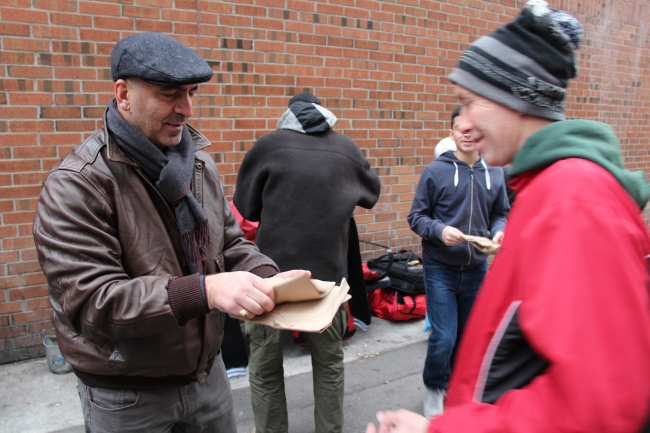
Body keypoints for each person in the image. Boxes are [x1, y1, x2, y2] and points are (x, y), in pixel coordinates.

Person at [367, 1, 650, 432]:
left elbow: (601, 402)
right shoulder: (545, 187)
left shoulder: (571, 198)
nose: (462, 122)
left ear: (513, 98)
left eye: (468, 102)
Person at [32, 32, 306, 433]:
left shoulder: (198, 166)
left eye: (192, 92)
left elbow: (229, 242)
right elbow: (94, 304)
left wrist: (268, 278)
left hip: (206, 377)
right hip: (127, 394)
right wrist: (206, 291)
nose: (186, 108)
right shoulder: (76, 184)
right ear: (123, 94)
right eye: (170, 93)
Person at [233, 92, 381, 433]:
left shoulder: (268, 146)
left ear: (289, 116)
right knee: (328, 366)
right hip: (326, 278)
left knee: (265, 369)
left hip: (272, 278)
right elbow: (371, 194)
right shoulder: (347, 149)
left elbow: (247, 206)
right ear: (323, 113)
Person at [407, 106, 510, 418]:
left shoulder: (494, 171)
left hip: (478, 268)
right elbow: (416, 217)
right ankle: (435, 388)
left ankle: (459, 388)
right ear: (451, 133)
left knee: (469, 337)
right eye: (459, 128)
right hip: (440, 268)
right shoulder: (436, 171)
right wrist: (440, 231)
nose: (466, 133)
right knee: (444, 337)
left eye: (472, 128)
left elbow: (500, 212)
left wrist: (499, 231)